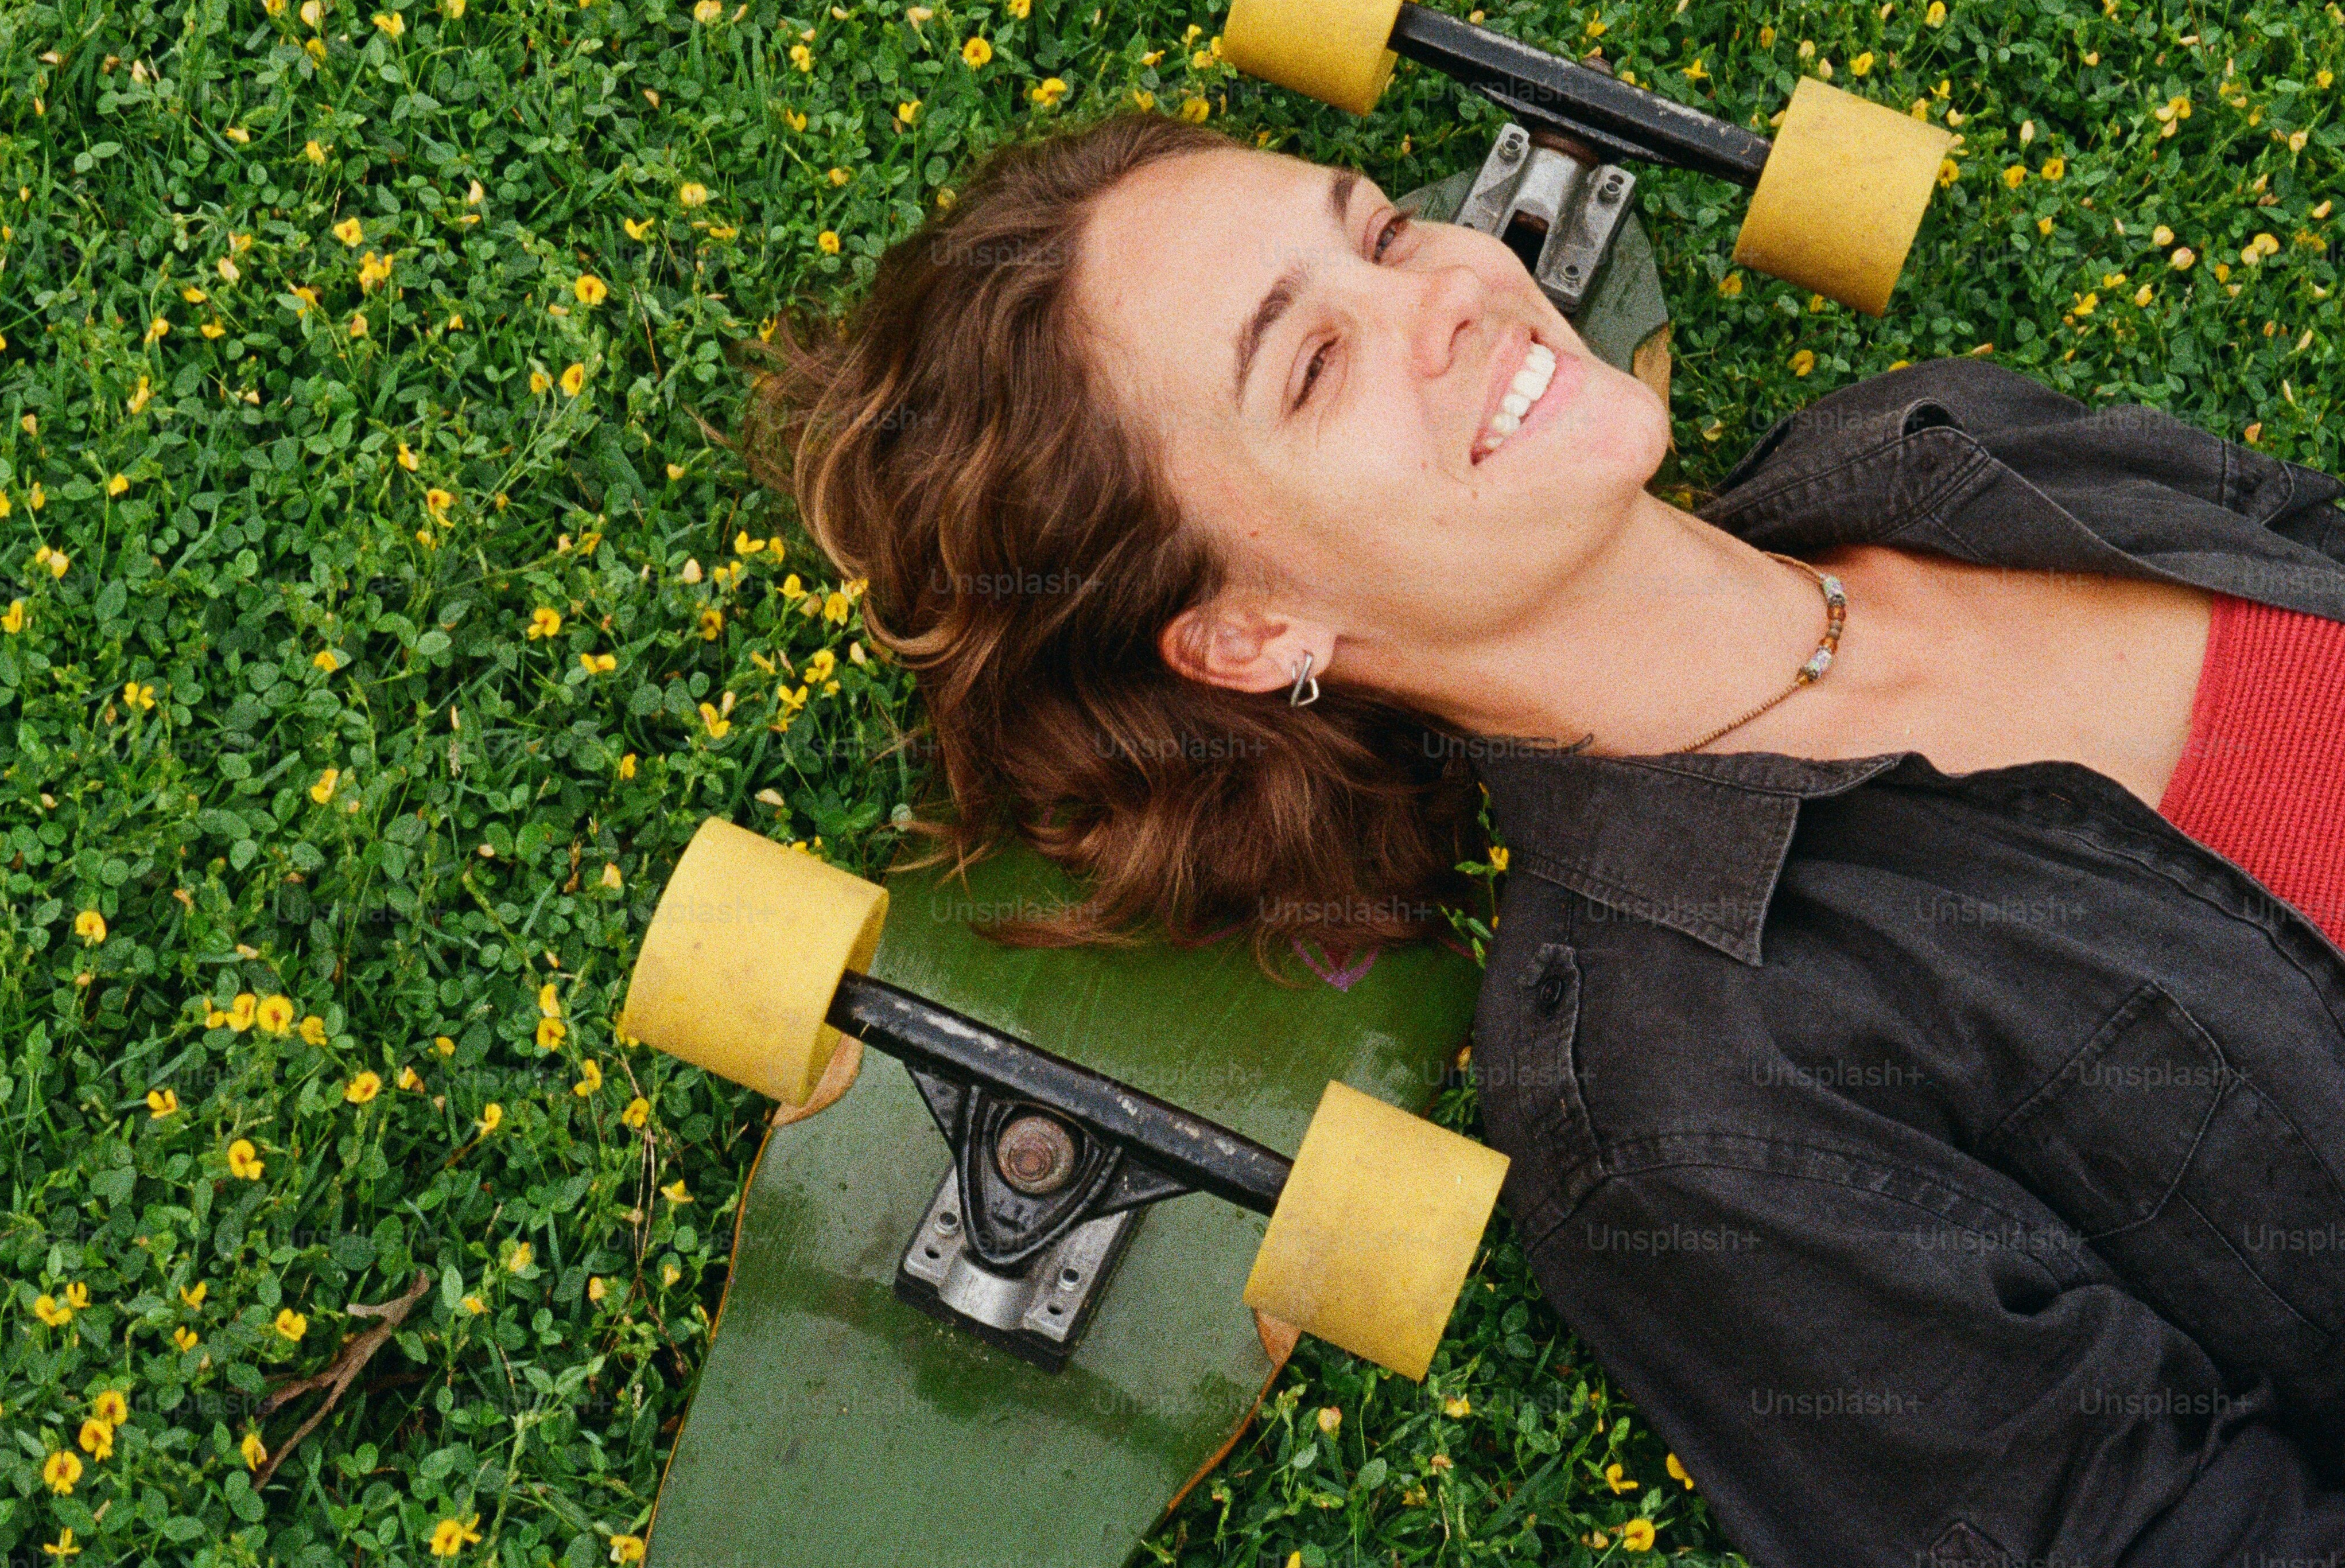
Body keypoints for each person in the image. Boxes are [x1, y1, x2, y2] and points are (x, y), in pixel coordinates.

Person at [737, 108, 2345, 1565]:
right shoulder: (1677, 1084)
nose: (1439, 291)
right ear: (1246, 628)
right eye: (1308, 365)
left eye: (1373, 231)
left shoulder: (1928, 444)